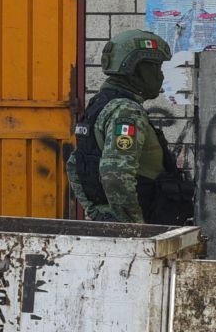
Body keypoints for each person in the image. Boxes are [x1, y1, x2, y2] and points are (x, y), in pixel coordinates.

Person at [68, 28, 192, 224]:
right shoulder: (125, 111)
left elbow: (74, 165)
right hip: (145, 227)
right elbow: (116, 175)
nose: (160, 76)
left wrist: (97, 212)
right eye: (156, 68)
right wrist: (134, 227)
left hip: (120, 227)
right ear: (137, 69)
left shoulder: (99, 105)